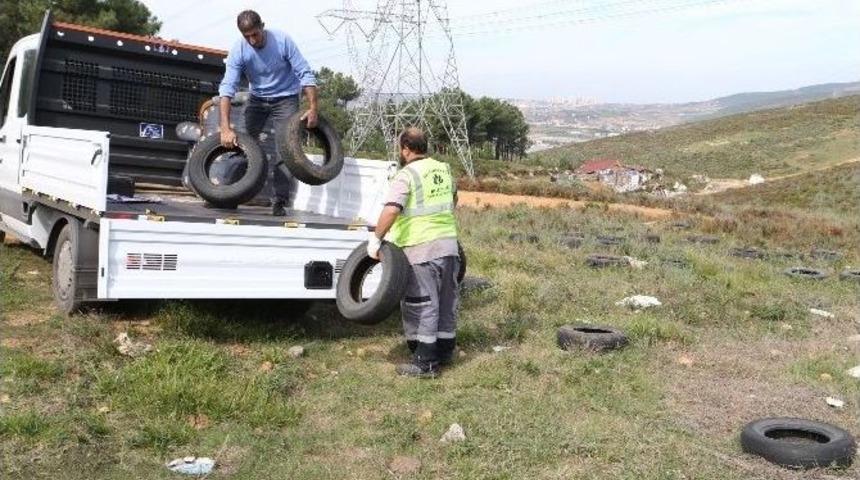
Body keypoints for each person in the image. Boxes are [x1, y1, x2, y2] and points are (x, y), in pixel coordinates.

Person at [368, 128, 460, 378]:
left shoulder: (406, 175)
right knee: (445, 302)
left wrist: (375, 239)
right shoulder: (444, 169)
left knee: (422, 304)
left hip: (421, 249)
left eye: (401, 147)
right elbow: (453, 201)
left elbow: (391, 210)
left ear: (407, 148)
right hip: (449, 248)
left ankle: (426, 363)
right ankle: (445, 351)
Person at [218, 10, 318, 216]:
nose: (252, 40)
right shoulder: (239, 49)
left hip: (286, 98)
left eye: (255, 34)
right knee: (241, 143)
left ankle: (279, 201)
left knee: (286, 148)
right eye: (247, 36)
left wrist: (313, 108)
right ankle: (228, 194)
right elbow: (227, 88)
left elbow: (305, 73)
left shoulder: (282, 41)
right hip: (257, 98)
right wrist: (226, 128)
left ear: (262, 26)